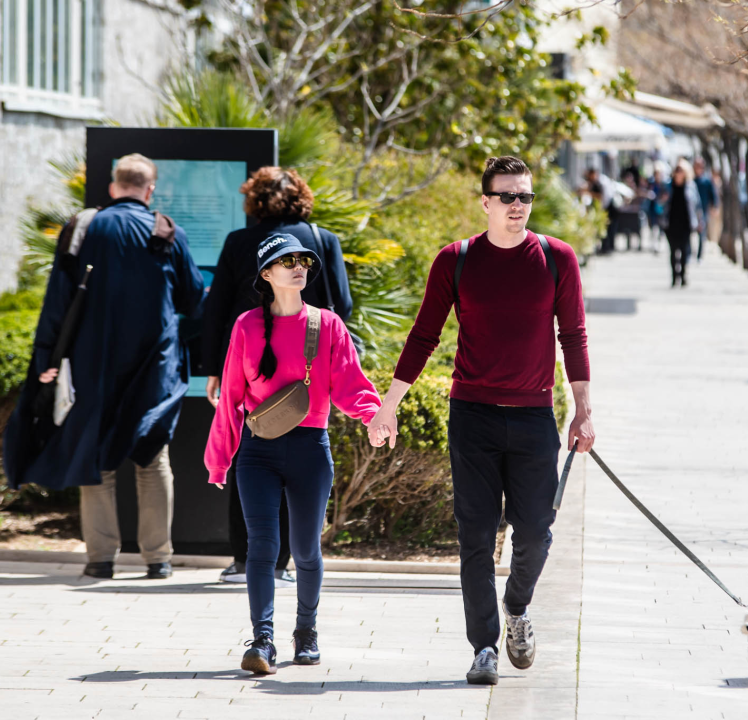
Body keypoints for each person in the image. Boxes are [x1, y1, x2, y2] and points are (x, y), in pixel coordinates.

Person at [366, 156, 595, 686]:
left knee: (535, 533)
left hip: (535, 415)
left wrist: (583, 410)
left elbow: (573, 335)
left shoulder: (557, 258)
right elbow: (424, 335)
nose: (518, 205)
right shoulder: (457, 260)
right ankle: (484, 647)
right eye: (507, 196)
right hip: (472, 416)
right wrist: (389, 404)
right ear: (486, 201)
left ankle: (517, 607)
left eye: (525, 196)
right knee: (475, 535)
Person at [3, 153, 205, 580]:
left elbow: (58, 298)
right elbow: (192, 298)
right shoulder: (167, 232)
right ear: (150, 191)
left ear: (114, 188)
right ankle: (158, 560)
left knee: (96, 455)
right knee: (152, 456)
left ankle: (100, 559)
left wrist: (46, 358)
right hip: (155, 364)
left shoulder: (83, 226)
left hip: (93, 361)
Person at [204, 234, 382, 675]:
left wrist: (374, 416)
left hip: (310, 448)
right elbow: (231, 395)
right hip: (257, 452)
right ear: (266, 274)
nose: (299, 266)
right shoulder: (246, 325)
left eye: (303, 259)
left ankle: (306, 632)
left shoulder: (328, 324)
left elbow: (350, 385)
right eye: (287, 261)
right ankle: (262, 639)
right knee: (262, 547)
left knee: (305, 550)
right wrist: (220, 458)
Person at [200, 167, 353, 588]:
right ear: (302, 196)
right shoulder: (322, 239)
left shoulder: (239, 241)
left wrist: (213, 368)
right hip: (309, 373)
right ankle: (282, 564)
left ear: (254, 199)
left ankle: (242, 560)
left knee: (249, 452)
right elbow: (343, 304)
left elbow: (217, 309)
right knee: (300, 466)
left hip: (252, 364)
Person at [665, 161, 701, 287]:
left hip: (686, 223)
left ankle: (683, 275)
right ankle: (674, 277)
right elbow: (660, 202)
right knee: (673, 251)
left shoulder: (691, 186)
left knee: (684, 250)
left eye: (681, 171)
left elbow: (697, 205)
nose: (679, 173)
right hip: (670, 223)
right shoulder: (668, 186)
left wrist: (699, 221)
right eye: (677, 170)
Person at [693, 158, 717, 260]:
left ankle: (699, 254)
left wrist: (714, 207)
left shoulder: (707, 181)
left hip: (703, 210)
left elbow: (713, 195)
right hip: (692, 210)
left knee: (701, 233)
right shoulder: (691, 180)